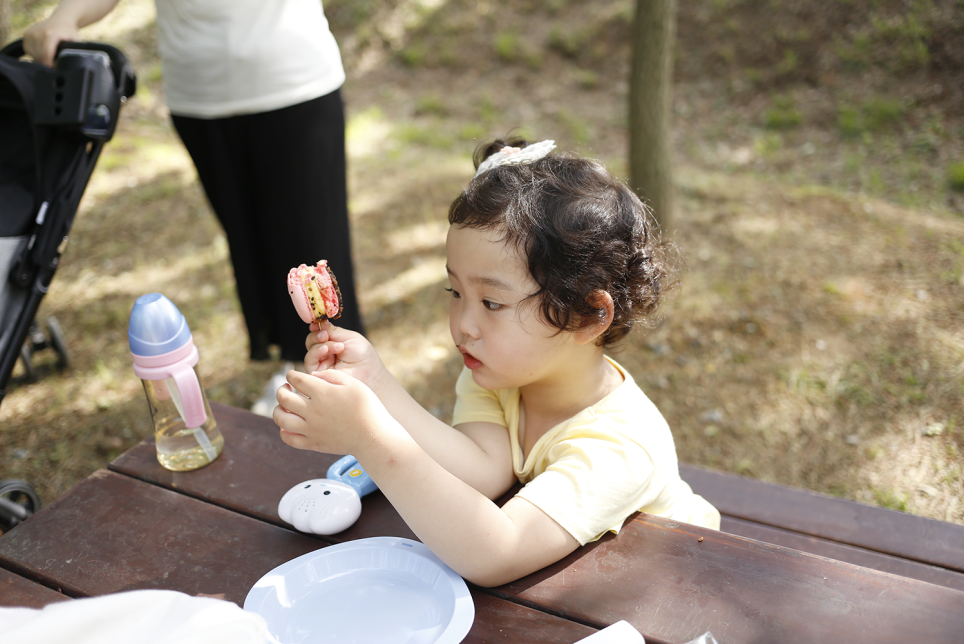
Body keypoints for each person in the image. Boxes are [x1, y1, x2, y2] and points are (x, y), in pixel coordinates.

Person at [274, 139, 720, 587]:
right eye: (456, 293)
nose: (464, 324)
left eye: (491, 302)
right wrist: (376, 383)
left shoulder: (620, 448)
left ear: (587, 315)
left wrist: (368, 437)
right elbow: (483, 472)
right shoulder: (501, 372)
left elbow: (495, 554)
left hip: (679, 587)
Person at [23, 0, 365, 415]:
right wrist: (65, 17)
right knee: (251, 245)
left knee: (310, 243)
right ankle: (296, 364)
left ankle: (342, 380)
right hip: (200, 96)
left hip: (291, 80)